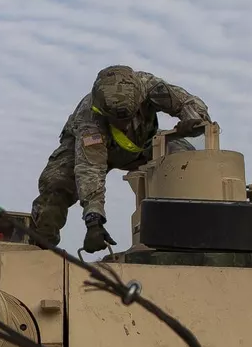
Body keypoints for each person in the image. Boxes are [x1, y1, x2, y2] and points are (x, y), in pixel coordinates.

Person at [29, 65, 210, 252]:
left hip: (143, 146)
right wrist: (94, 222)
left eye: (128, 118)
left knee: (185, 157)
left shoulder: (150, 87)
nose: (123, 124)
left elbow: (187, 101)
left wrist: (193, 118)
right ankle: (40, 249)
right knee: (56, 184)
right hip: (88, 151)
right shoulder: (89, 121)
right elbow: (90, 169)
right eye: (117, 119)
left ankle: (191, 231)